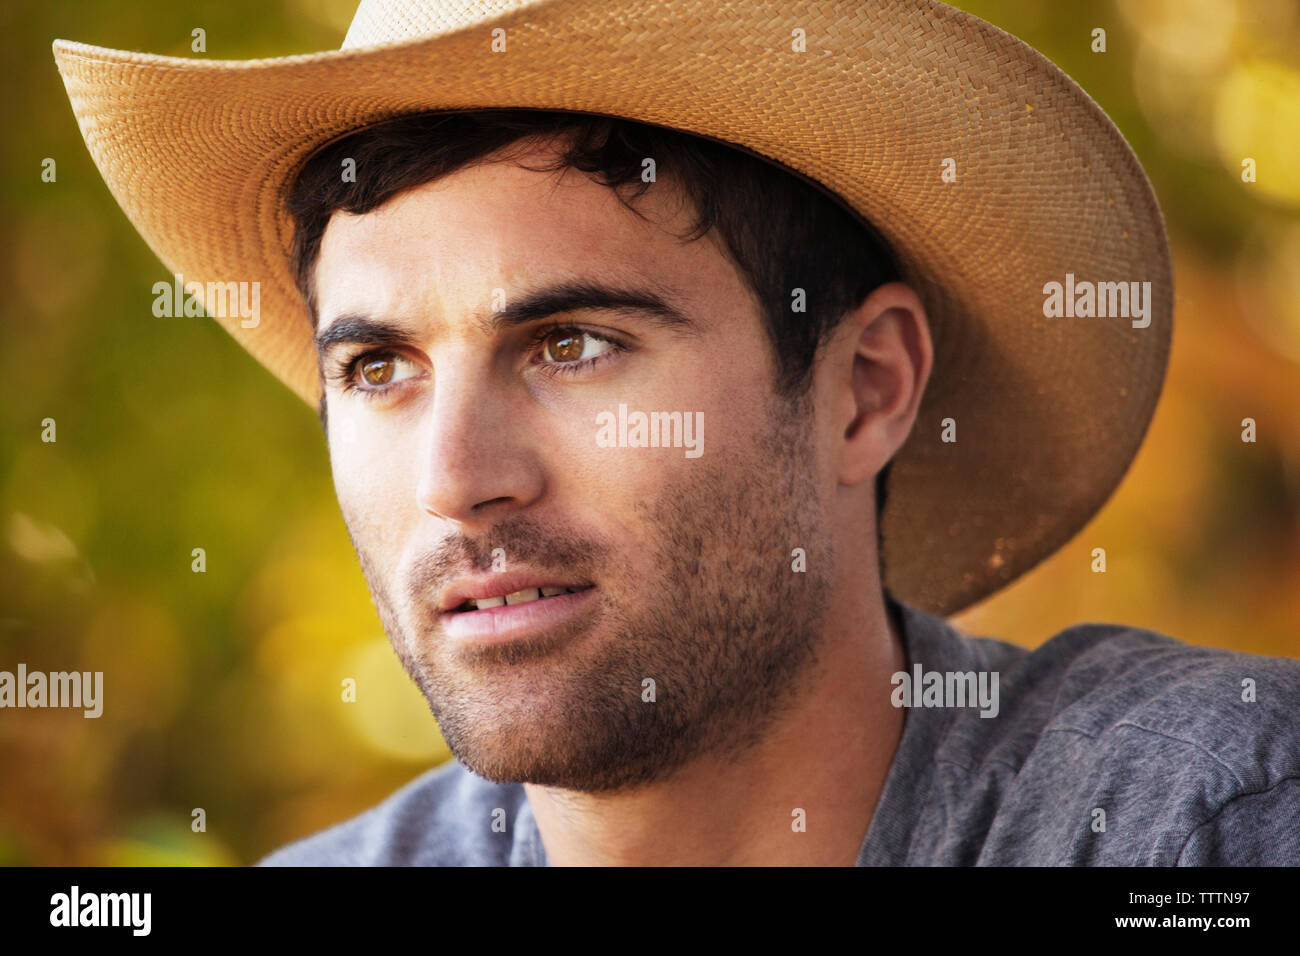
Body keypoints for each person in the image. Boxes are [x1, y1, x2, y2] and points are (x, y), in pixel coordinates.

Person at [54, 0, 1300, 866]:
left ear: (865, 388)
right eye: (380, 367)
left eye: (570, 345)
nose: (456, 481)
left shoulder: (1202, 815)